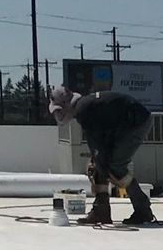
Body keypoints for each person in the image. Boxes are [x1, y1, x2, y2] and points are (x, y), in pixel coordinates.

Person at [48, 85, 155, 226]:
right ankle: (101, 210)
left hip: (136, 123)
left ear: (65, 105)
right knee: (100, 165)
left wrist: (98, 162)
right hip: (128, 123)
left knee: (116, 167)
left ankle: (142, 209)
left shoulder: (83, 110)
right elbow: (100, 140)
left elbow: (97, 145)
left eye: (58, 112)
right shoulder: (84, 106)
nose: (59, 116)